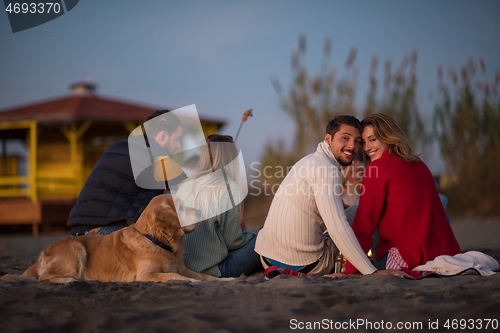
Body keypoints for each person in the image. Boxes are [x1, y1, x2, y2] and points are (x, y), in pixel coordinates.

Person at [255, 115, 405, 277]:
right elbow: (337, 228)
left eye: (357, 141)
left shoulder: (308, 161)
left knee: (351, 212)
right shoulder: (328, 170)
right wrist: (371, 272)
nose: (352, 146)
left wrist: (340, 205)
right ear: (328, 139)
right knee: (362, 214)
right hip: (305, 265)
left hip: (267, 258)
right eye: (345, 138)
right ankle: (381, 261)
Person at [344, 113, 461, 274]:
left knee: (358, 215)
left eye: (372, 140)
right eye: (364, 142)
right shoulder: (420, 164)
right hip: (441, 254)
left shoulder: (376, 169)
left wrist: (349, 271)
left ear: (388, 137)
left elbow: (364, 226)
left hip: (405, 259)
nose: (366, 148)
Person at [67, 110, 187, 236]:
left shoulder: (123, 146)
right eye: (177, 139)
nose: (178, 146)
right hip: (106, 231)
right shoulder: (155, 154)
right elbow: (186, 187)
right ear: (163, 136)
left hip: (80, 230)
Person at [177, 134, 261, 278]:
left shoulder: (184, 185)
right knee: (265, 237)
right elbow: (233, 243)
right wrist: (250, 233)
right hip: (214, 270)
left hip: (182, 267)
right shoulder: (229, 188)